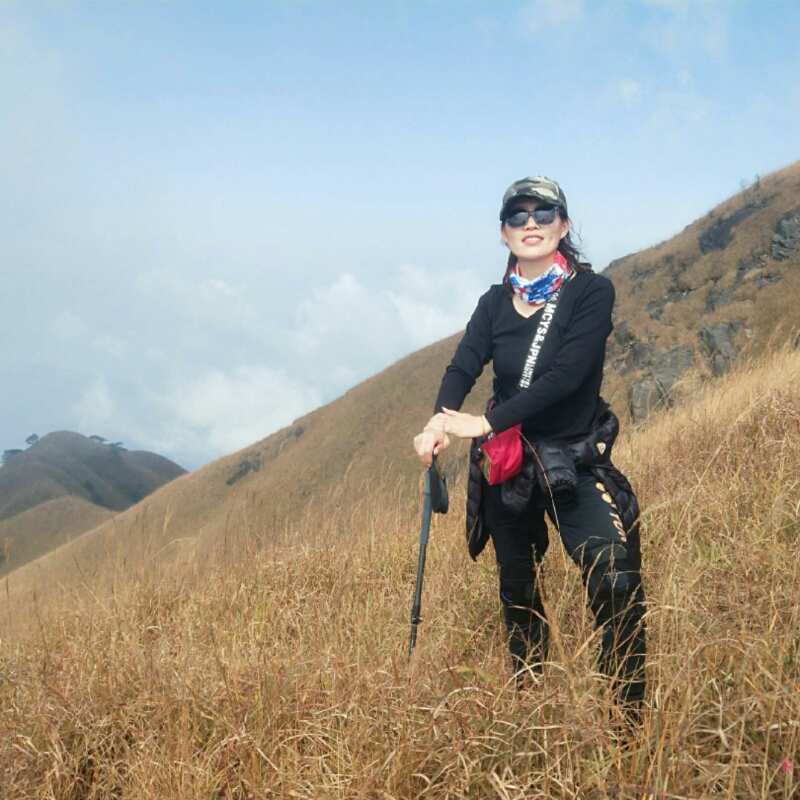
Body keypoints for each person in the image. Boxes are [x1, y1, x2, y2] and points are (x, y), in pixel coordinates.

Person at [413, 176, 646, 716]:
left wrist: (485, 424)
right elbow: (463, 366)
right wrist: (438, 422)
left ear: (563, 225)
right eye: (517, 216)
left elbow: (567, 376)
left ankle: (628, 719)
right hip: (511, 465)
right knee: (518, 590)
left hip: (573, 459)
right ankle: (531, 703)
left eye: (544, 213)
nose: (531, 224)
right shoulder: (494, 303)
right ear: (504, 233)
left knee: (613, 577)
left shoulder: (591, 293)